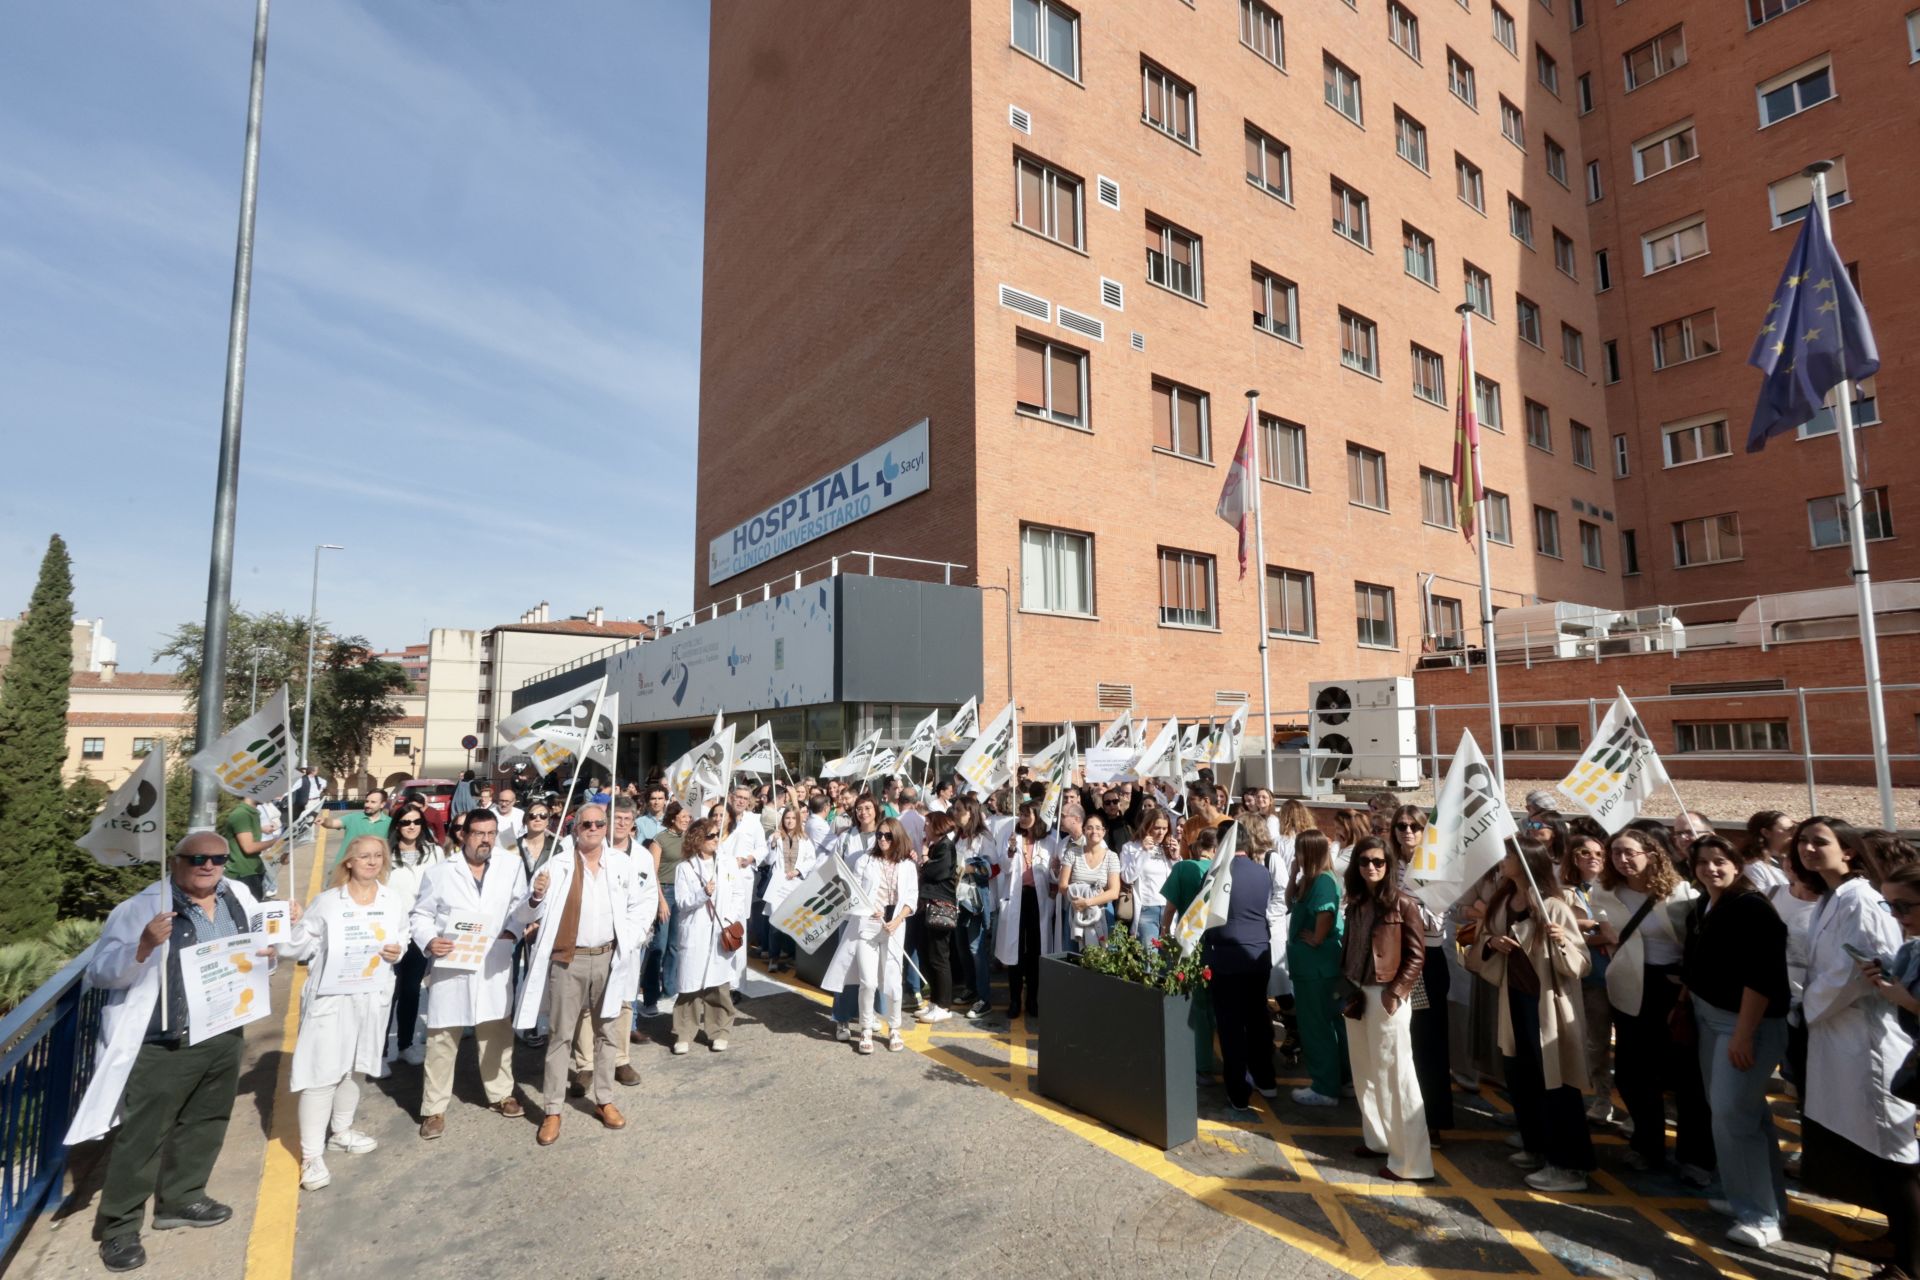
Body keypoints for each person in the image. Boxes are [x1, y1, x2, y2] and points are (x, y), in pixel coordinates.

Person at [69, 833, 279, 1274]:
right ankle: (119, 1227)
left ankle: (182, 1199)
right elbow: (100, 973)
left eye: (217, 858)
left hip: (223, 1029)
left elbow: (262, 953)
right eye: (196, 858)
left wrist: (273, 948)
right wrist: (143, 946)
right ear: (175, 860)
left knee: (207, 1121)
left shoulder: (238, 897)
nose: (208, 865)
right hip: (166, 1041)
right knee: (143, 1136)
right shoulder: (139, 909)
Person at [1798, 817, 1920, 1279]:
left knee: (1895, 1155)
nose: (1809, 849)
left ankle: (1909, 1263)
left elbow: (1854, 973)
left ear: (1847, 849)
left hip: (1868, 1040)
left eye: (1820, 841)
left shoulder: (1864, 900)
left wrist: (1805, 1005)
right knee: (1875, 1152)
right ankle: (1898, 1237)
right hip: (1839, 1035)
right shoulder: (1832, 897)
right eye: (1803, 842)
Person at [513, 802, 656, 1145]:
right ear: (575, 828)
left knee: (607, 1032)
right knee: (560, 1036)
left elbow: (645, 901)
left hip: (608, 958)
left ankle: (604, 1100)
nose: (593, 829)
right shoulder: (556, 865)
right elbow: (523, 914)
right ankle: (552, 1110)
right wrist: (536, 897)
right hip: (568, 960)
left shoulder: (621, 864)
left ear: (606, 828)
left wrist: (633, 937)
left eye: (599, 824)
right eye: (586, 824)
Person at [1469, 834, 1594, 1193]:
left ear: (1526, 861)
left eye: (1508, 855)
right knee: (1522, 1075)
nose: (1502, 860)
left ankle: (1569, 1165)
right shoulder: (1503, 900)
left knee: (1556, 1080)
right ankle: (1536, 1145)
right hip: (1515, 1000)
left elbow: (1581, 964)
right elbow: (1481, 942)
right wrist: (1492, 943)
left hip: (1547, 1005)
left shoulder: (1553, 905)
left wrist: (1561, 940)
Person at [1682, 833, 1791, 1248]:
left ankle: (1761, 1217)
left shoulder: (1752, 909)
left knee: (1732, 1117)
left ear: (1737, 864)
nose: (1711, 868)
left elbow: (1761, 977)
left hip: (1744, 1025)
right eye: (1702, 862)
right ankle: (1755, 1198)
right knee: (1743, 1115)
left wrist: (1744, 1035)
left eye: (1719, 861)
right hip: (1710, 1019)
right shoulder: (1705, 904)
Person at [283, 835, 405, 1191]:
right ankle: (311, 1155)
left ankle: (341, 1131)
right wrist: (295, 922)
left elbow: (402, 936)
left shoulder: (391, 900)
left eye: (377, 856)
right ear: (349, 861)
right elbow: (297, 948)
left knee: (354, 1068)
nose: (372, 862)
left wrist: (397, 950)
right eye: (364, 856)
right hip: (331, 999)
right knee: (321, 1075)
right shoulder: (327, 902)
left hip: (370, 995)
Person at [1590, 826, 1711, 1182]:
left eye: (1630, 852)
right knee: (1633, 1074)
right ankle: (1647, 1145)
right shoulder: (1605, 892)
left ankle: (1695, 1157)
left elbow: (1694, 945)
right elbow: (1606, 933)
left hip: (1674, 989)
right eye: (1616, 853)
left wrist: (1686, 986)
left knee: (1686, 1078)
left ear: (1652, 854)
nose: (1622, 859)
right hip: (1630, 987)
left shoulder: (1681, 895)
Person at [407, 810, 529, 1138]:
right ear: (463, 835)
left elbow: (520, 907)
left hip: (493, 963)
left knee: (496, 1033)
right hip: (452, 967)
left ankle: (501, 1094)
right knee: (442, 1040)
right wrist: (429, 940)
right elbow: (420, 915)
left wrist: (513, 931)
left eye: (491, 833)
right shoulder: (440, 873)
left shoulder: (511, 867)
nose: (486, 840)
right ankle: (433, 1109)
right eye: (479, 834)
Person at [1341, 835, 1433, 1183]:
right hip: (1357, 993)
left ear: (1389, 865)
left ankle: (1411, 1162)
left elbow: (1417, 956)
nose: (1371, 867)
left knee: (1396, 1077)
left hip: (1385, 995)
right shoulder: (1356, 902)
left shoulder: (1404, 904)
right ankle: (1379, 1139)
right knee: (1365, 1072)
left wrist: (1395, 993)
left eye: (1378, 862)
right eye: (1364, 861)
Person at [823, 818, 921, 1053]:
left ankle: (894, 1028)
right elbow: (853, 893)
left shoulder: (907, 865)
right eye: (879, 835)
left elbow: (911, 897)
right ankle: (866, 1029)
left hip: (894, 928)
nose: (883, 840)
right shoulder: (866, 860)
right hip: (867, 926)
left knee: (893, 981)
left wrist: (898, 920)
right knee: (868, 982)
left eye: (888, 836)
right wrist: (869, 909)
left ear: (897, 837)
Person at [1387, 804, 1454, 1135]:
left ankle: (1433, 1121)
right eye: (1401, 826)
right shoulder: (1388, 865)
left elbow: (1436, 923)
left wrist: (1400, 904)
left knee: (1427, 1042)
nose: (1408, 832)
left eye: (1414, 826)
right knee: (1397, 1039)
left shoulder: (1434, 868)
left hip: (1424, 961)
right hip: (1392, 958)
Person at [1204, 824, 1278, 1117]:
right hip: (1258, 952)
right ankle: (1266, 1078)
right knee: (1258, 1017)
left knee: (1231, 1026)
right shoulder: (1262, 872)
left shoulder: (1217, 873)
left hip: (1227, 955)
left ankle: (1238, 1090)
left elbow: (1206, 912)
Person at [670, 819, 744, 1053]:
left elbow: (738, 894)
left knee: (719, 986)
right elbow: (682, 903)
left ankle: (719, 1031)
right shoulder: (685, 868)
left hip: (720, 931)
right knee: (690, 987)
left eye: (716, 835)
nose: (715, 840)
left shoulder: (727, 863)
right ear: (697, 839)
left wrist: (730, 919)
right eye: (710, 836)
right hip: (695, 932)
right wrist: (703, 893)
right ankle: (683, 1033)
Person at [1286, 829, 1346, 1107]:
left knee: (1316, 1026)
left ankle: (1325, 1087)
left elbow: (1326, 911)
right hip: (1314, 966)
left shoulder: (1322, 880)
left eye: (1299, 850)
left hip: (1316, 968)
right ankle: (1339, 1080)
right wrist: (1292, 875)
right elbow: (1290, 902)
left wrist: (1317, 938)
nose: (1295, 855)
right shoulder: (1310, 880)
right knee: (1328, 1023)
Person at [1559, 828, 1614, 1124]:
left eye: (1599, 853)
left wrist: (1590, 929)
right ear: (1573, 858)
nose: (1594, 858)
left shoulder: (1616, 888)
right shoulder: (1565, 892)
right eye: (1585, 853)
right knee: (1597, 1042)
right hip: (1592, 977)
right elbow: (1565, 933)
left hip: (1623, 973)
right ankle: (1603, 1099)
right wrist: (1601, 932)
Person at [384, 807, 444, 1067]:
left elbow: (442, 888)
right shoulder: (385, 854)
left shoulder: (435, 853)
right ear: (397, 825)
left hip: (421, 931)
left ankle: (405, 1044)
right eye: (405, 821)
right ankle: (380, 1051)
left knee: (411, 991)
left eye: (417, 821)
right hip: (390, 933)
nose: (411, 826)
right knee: (388, 993)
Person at [996, 803, 1055, 1019]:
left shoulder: (1050, 841)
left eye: (1026, 814)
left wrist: (1056, 870)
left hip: (1038, 901)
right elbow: (1004, 867)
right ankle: (1014, 1000)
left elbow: (1053, 875)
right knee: (1015, 952)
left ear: (1037, 816)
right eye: (1020, 814)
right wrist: (1011, 851)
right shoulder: (1013, 837)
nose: (1021, 818)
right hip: (1016, 898)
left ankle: (1032, 999)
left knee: (1035, 950)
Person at [641, 801, 693, 1016]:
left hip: (682, 892)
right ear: (672, 818)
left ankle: (670, 989)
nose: (687, 820)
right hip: (664, 891)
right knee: (658, 947)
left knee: (675, 945)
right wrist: (661, 901)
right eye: (683, 816)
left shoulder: (689, 839)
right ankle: (650, 997)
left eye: (688, 817)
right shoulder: (659, 839)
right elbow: (652, 873)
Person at [762, 803, 818, 973]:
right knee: (775, 923)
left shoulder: (805, 839)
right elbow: (768, 860)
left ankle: (794, 956)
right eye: (787, 818)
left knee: (794, 922)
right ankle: (774, 957)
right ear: (783, 819)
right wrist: (772, 843)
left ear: (798, 820)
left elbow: (811, 859)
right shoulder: (777, 837)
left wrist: (798, 870)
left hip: (795, 885)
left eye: (794, 818)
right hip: (779, 886)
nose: (790, 821)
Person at [915, 810, 959, 1022]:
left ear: (936, 825)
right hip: (929, 907)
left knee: (940, 958)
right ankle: (934, 1001)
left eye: (927, 823)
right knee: (930, 956)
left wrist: (924, 857)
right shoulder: (937, 846)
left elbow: (935, 872)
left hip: (940, 907)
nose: (925, 827)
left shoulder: (946, 846)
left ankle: (943, 1005)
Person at [1059, 811, 1121, 952]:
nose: (1094, 832)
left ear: (1104, 832)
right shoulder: (1072, 853)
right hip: (1075, 909)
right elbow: (1062, 886)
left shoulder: (1111, 857)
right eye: (1090, 828)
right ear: (1083, 830)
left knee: (1104, 955)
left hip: (1102, 911)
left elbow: (1114, 892)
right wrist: (1079, 900)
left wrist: (1087, 902)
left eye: (1098, 828)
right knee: (1073, 955)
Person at [1121, 806, 1178, 945]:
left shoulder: (1168, 847)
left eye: (1165, 828)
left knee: (1168, 955)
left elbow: (1178, 879)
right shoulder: (1130, 847)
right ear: (1147, 827)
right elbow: (1127, 877)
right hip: (1146, 908)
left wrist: (1176, 858)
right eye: (1157, 828)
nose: (1161, 832)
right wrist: (1143, 851)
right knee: (1150, 956)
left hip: (1169, 908)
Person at [215, 794, 282, 900]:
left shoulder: (250, 813)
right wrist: (276, 842)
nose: (267, 793)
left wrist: (261, 829)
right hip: (244, 874)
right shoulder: (242, 815)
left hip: (252, 870)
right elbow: (249, 848)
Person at [321, 790, 392, 873]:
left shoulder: (390, 823)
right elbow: (333, 823)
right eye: (367, 801)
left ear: (382, 804)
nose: (368, 805)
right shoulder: (352, 818)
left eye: (373, 802)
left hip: (372, 870)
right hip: (345, 868)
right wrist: (324, 821)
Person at [1743, 810, 1794, 890]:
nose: (1793, 833)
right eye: (1788, 829)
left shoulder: (1795, 861)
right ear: (1766, 833)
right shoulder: (1754, 868)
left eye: (1794, 828)